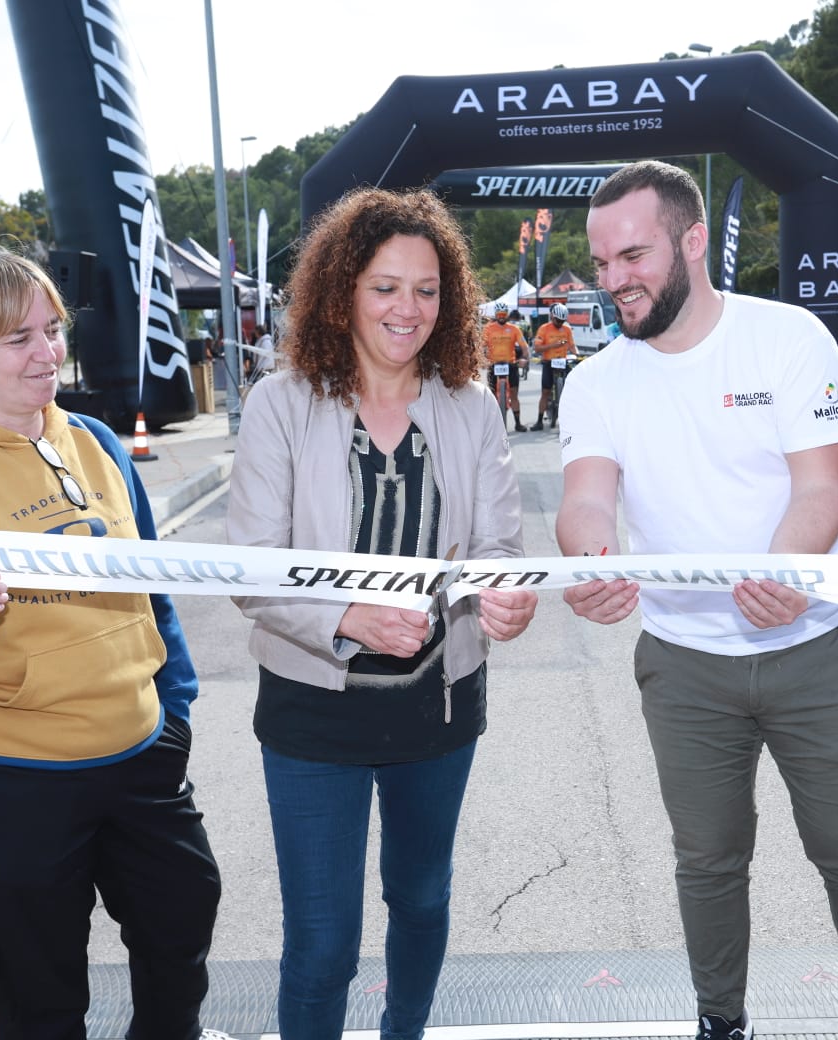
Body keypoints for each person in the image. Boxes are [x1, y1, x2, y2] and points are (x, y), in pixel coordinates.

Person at [555, 160, 838, 1040]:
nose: (614, 281)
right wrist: (592, 561)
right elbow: (588, 500)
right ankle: (721, 1023)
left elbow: (822, 492)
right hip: (683, 665)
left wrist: (782, 576)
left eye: (631, 256)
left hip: (815, 649)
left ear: (693, 240)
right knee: (708, 860)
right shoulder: (596, 381)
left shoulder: (789, 339)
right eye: (602, 264)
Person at [0, 245, 230, 1040]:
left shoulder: (96, 441)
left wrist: (174, 709)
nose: (48, 353)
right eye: (17, 339)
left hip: (138, 758)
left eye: (51, 330)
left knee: (181, 928)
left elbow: (150, 589)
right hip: (2, 783)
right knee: (40, 995)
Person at [226, 186, 538, 1040]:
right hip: (312, 714)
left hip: (437, 708)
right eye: (385, 287)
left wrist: (506, 597)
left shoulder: (472, 409)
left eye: (428, 289)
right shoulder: (279, 404)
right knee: (323, 944)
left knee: (423, 902)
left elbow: (498, 551)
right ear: (341, 292)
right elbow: (251, 569)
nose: (409, 309)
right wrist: (346, 616)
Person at [481, 301, 529, 431]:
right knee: (491, 396)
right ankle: (491, 426)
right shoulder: (488, 328)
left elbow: (524, 346)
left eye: (503, 314)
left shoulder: (514, 329)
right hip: (493, 364)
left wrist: (524, 358)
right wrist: (481, 359)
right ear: (496, 315)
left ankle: (518, 423)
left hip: (511, 363)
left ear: (507, 314)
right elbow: (481, 346)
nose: (501, 316)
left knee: (514, 394)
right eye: (499, 314)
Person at [530, 301, 577, 430]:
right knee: (545, 391)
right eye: (558, 321)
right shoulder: (544, 328)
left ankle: (571, 419)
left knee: (572, 388)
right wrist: (553, 345)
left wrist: (577, 355)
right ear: (552, 317)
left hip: (562, 361)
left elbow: (572, 345)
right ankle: (539, 421)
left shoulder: (567, 329)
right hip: (548, 362)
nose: (560, 323)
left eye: (562, 321)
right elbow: (537, 347)